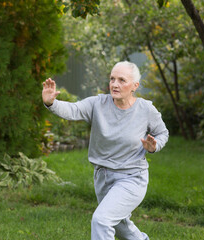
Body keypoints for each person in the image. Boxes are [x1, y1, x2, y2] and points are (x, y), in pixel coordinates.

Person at [42, 61, 169, 240]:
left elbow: (162, 132)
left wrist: (154, 146)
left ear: (135, 86)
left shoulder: (145, 109)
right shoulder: (98, 104)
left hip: (132, 177)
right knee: (119, 225)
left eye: (121, 80)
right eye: (112, 79)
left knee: (102, 220)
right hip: (102, 176)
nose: (115, 84)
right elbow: (73, 109)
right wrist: (51, 103)